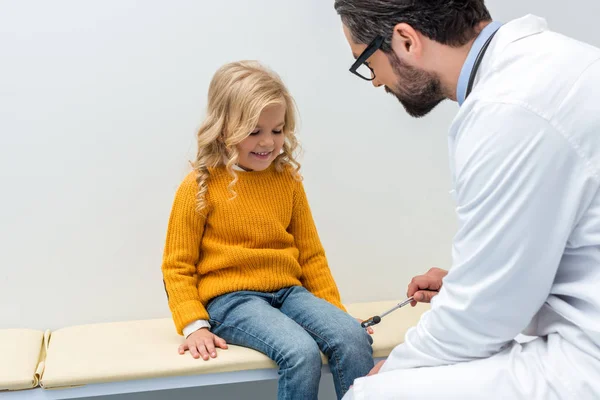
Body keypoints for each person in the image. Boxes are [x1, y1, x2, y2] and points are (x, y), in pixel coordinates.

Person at [334, 0, 600, 398]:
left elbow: (485, 317)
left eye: (368, 63)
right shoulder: (557, 61)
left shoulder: (508, 111)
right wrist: (469, 280)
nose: (375, 81)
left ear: (406, 41)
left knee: (370, 394)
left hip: (584, 362)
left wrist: (391, 370)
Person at [161, 60, 374, 400]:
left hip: (288, 292)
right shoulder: (199, 185)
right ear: (224, 127)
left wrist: (335, 313)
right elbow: (177, 267)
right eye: (254, 131)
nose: (268, 142)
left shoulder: (287, 180)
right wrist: (194, 326)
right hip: (231, 300)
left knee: (352, 337)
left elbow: (311, 256)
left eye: (277, 131)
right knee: (299, 352)